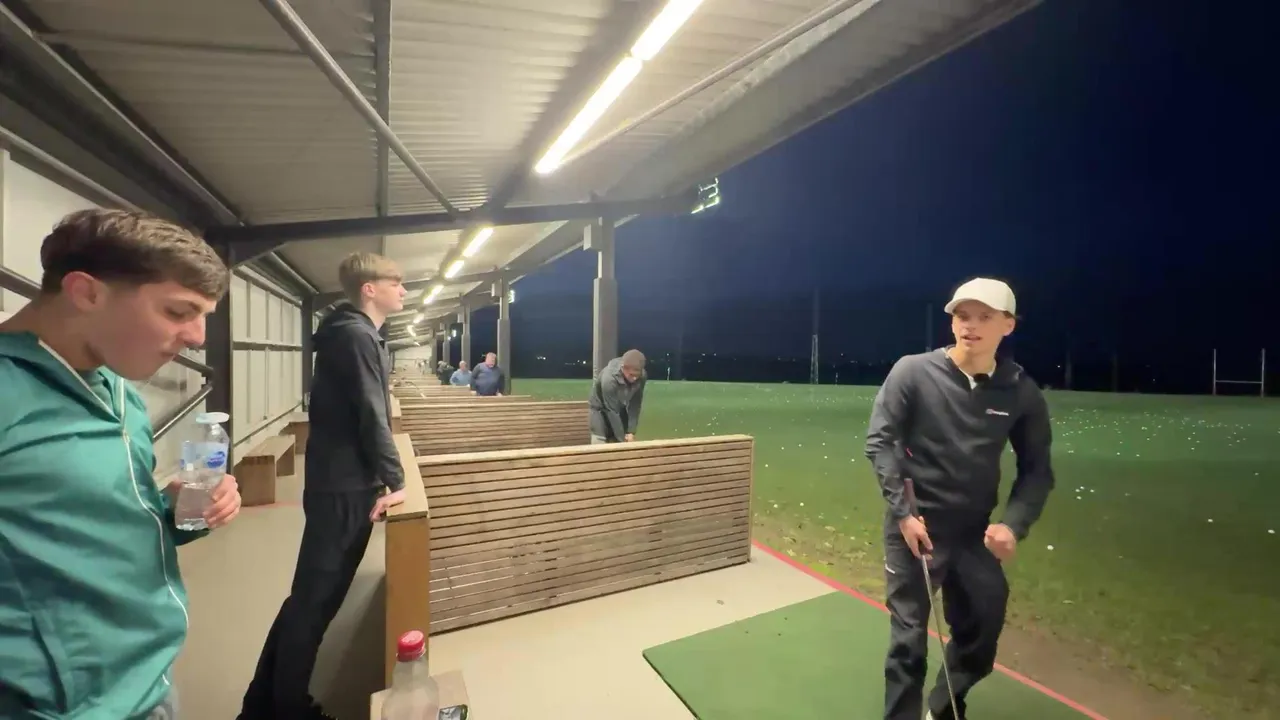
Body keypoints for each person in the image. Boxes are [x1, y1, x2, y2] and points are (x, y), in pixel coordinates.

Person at [0, 208, 242, 719]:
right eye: (178, 311)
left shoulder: (118, 389)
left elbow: (95, 517)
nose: (198, 337)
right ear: (86, 292)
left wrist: (178, 511)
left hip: (146, 680)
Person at [864, 277, 1055, 720]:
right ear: (952, 322)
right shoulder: (913, 372)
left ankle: (944, 706)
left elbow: (1037, 470)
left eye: (985, 317)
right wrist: (904, 514)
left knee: (983, 626)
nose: (971, 325)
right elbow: (881, 442)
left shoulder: (1020, 391)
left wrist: (1013, 524)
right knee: (909, 639)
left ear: (1008, 325)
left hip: (973, 533)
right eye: (962, 316)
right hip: (915, 527)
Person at [241, 252, 407, 720]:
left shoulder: (353, 334)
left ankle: (264, 705)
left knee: (308, 604)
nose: (404, 290)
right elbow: (372, 412)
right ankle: (287, 708)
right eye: (396, 282)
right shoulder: (356, 336)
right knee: (312, 607)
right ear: (369, 289)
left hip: (342, 482)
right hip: (344, 488)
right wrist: (396, 480)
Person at [589, 349, 647, 444]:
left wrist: (631, 431)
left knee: (626, 441)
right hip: (600, 410)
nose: (634, 378)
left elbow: (635, 404)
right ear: (623, 368)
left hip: (619, 408)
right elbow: (612, 411)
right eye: (631, 375)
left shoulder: (642, 376)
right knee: (599, 443)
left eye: (637, 375)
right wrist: (621, 439)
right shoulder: (609, 379)